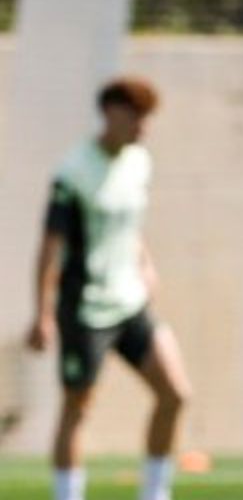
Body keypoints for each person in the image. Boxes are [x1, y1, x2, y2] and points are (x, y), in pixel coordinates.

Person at [26, 77, 192, 500]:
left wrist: (145, 264)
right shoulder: (73, 173)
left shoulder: (139, 161)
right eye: (137, 115)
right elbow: (50, 248)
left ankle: (155, 494)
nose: (144, 127)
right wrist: (42, 314)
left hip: (130, 303)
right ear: (111, 112)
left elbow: (127, 223)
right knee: (78, 408)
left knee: (175, 393)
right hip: (86, 309)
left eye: (148, 118)